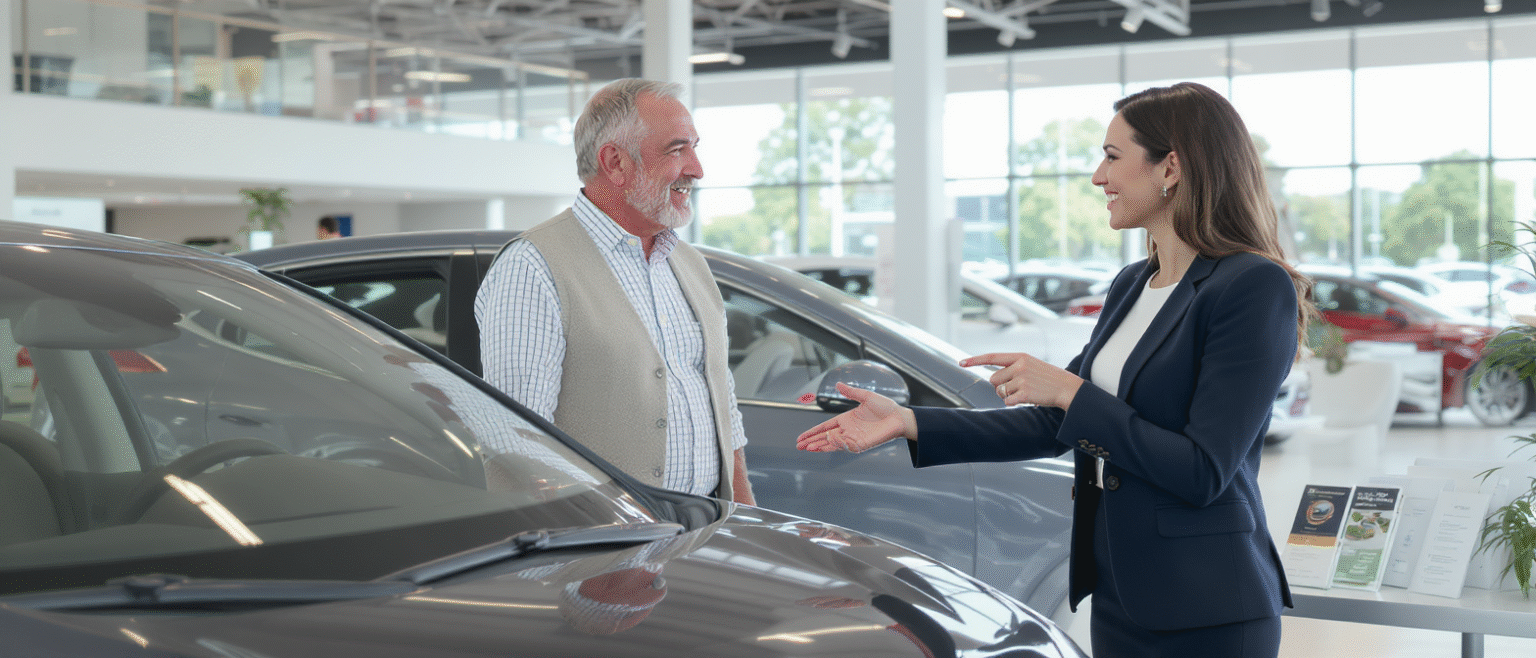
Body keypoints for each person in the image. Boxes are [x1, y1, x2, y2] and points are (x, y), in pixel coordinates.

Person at [797, 82, 1310, 658]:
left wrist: (1071, 391)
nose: (1098, 177)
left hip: (1207, 608)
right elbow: (1051, 423)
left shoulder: (1250, 286)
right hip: (1123, 595)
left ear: (1171, 167)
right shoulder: (1132, 285)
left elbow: (1202, 471)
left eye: (1113, 157)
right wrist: (909, 421)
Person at [474, 78, 755, 505]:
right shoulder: (533, 267)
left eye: (695, 147)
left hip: (706, 536)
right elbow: (518, 447)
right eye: (677, 150)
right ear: (616, 163)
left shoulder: (689, 264)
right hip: (607, 554)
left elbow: (723, 407)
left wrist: (745, 517)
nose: (697, 168)